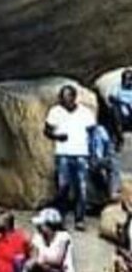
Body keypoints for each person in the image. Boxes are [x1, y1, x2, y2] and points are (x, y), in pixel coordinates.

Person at [44, 85, 96, 230]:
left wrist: (93, 154)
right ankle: (61, 219)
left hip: (81, 154)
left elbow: (92, 134)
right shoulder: (55, 111)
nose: (63, 100)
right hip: (63, 154)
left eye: (66, 97)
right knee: (63, 188)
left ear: (74, 97)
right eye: (61, 97)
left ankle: (80, 219)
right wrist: (56, 136)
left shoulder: (85, 113)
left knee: (82, 188)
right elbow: (47, 131)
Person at [90, 123, 123, 202]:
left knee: (112, 161)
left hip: (94, 159)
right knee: (113, 163)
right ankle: (113, 191)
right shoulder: (99, 131)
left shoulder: (97, 131)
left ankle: (113, 190)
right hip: (91, 161)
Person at [109, 70, 132, 136]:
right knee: (115, 109)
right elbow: (111, 97)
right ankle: (119, 133)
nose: (129, 81)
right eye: (127, 79)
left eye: (130, 79)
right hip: (122, 108)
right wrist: (123, 103)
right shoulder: (118, 86)